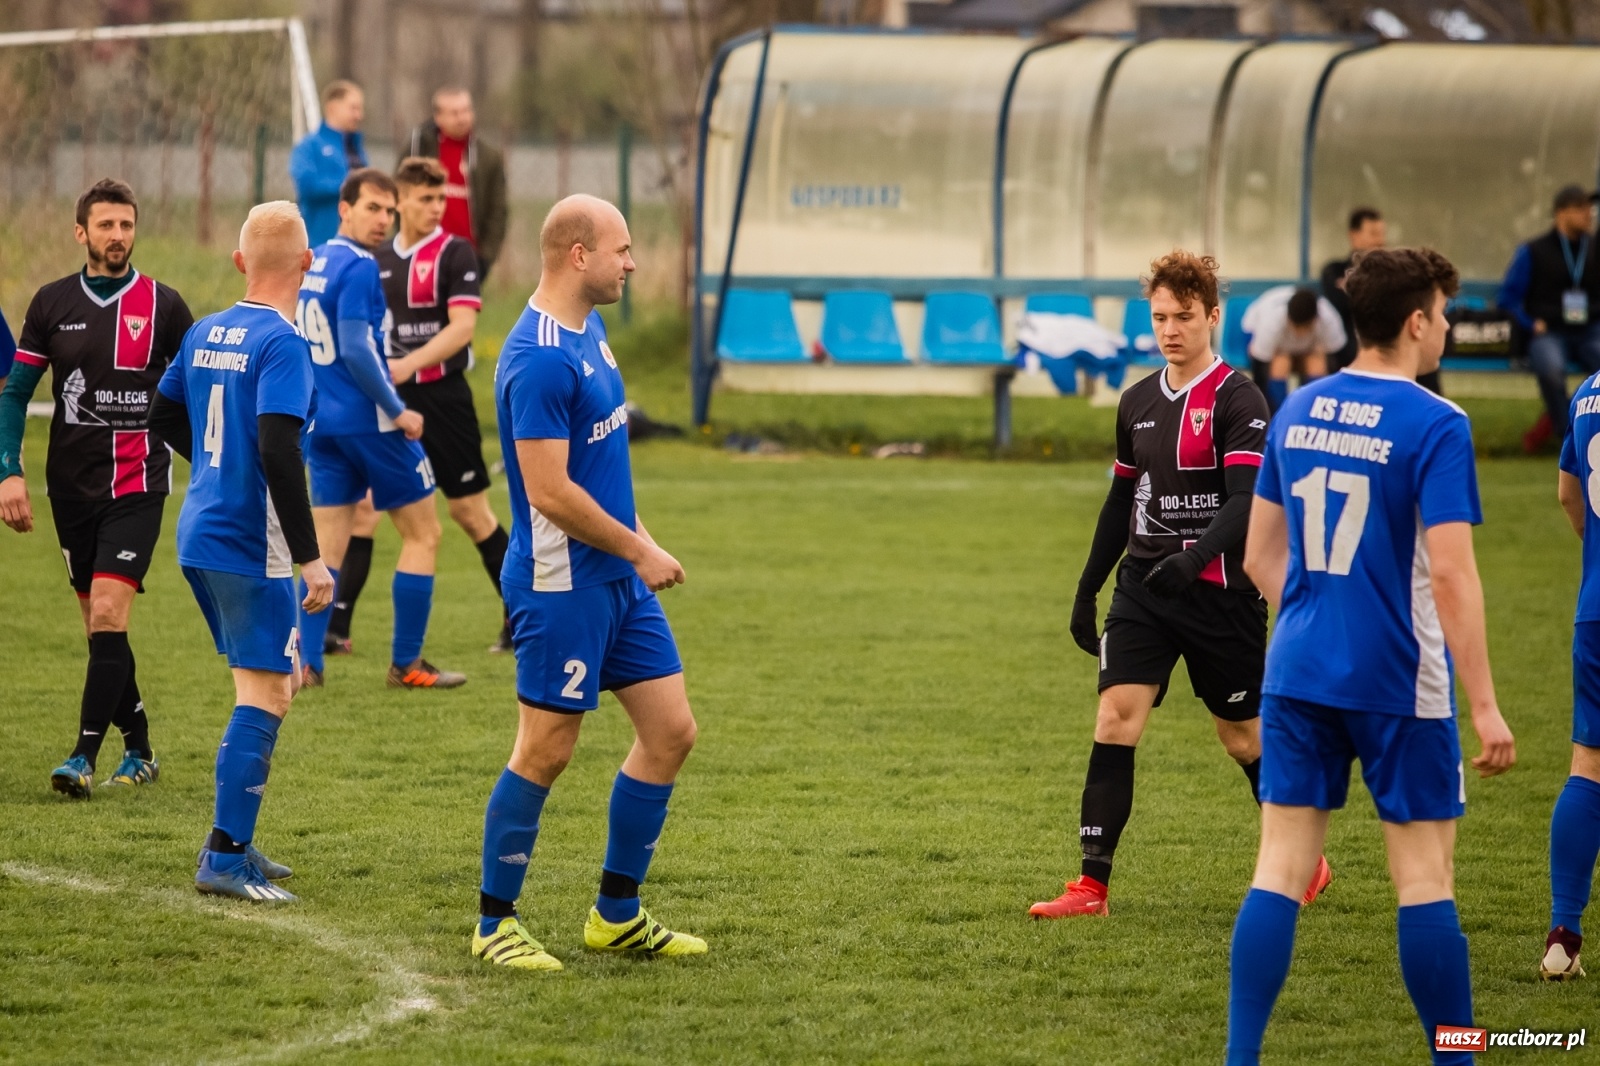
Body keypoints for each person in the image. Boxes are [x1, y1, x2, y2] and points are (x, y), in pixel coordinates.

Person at [1226, 247, 1516, 1065]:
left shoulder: (1298, 408)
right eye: (1444, 314)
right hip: (1397, 677)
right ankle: (1456, 1056)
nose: (1449, 327)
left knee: (1279, 868)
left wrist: (1322, 611)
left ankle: (1239, 1058)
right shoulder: (1436, 423)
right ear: (1417, 321)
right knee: (1424, 879)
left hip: (1297, 669)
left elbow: (1258, 560)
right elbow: (1453, 576)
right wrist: (1486, 704)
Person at [1031, 251, 1331, 920]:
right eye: (1160, 317)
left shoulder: (1239, 397)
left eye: (1184, 317)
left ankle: (1307, 860)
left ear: (1212, 316)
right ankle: (1091, 888)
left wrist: (1192, 561)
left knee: (1242, 736)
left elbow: (1247, 501)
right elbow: (1119, 500)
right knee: (1115, 718)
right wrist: (1088, 589)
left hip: (1219, 590)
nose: (1170, 330)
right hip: (1145, 587)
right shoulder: (1136, 400)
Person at [470, 194, 705, 970]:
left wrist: (639, 543)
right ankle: (494, 923)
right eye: (622, 250)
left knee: (670, 733)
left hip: (617, 582)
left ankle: (616, 913)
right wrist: (637, 550)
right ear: (579, 255)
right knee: (545, 749)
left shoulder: (590, 328)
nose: (632, 263)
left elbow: (601, 466)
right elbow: (547, 491)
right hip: (559, 585)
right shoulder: (537, 356)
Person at [146, 201, 334, 903]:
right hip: (251, 545)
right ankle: (222, 858)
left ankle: (238, 839)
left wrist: (217, 469)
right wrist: (313, 558)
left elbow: (161, 412)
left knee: (270, 686)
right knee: (267, 695)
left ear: (238, 262)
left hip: (201, 530)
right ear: (308, 264)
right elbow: (281, 451)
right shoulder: (284, 342)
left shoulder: (204, 330)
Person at [0, 178, 194, 798]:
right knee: (97, 626)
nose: (118, 236)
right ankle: (139, 747)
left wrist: (216, 459)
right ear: (81, 232)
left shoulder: (165, 306)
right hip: (71, 487)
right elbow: (14, 394)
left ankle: (82, 757)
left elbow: (197, 392)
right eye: (106, 226)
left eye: (127, 225)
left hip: (140, 482)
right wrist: (9, 470)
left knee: (110, 610)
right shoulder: (51, 303)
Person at [294, 167, 465, 691]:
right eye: (373, 207)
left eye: (390, 211)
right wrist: (398, 409)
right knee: (424, 533)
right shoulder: (362, 266)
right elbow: (355, 348)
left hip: (321, 424)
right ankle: (406, 664)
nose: (383, 219)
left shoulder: (313, 260)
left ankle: (306, 666)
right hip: (370, 423)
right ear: (344, 208)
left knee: (327, 546)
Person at [353, 156, 509, 648]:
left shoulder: (456, 253)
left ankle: (523, 618)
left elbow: (462, 330)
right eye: (426, 198)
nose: (437, 207)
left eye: (442, 198)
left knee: (469, 513)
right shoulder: (374, 258)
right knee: (364, 509)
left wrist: (405, 365)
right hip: (387, 398)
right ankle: (335, 630)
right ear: (399, 201)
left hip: (443, 398)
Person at [1544, 367, 1600, 980]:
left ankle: (1563, 935)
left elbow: (1568, 493)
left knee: (1589, 765)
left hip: (1597, 608)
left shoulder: (1588, 390)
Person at [1499, 184, 1600, 446]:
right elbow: (1508, 298)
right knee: (1551, 368)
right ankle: (1568, 435)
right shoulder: (1533, 251)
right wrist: (1530, 324)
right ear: (1560, 213)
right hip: (1550, 332)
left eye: (1589, 208)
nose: (1589, 214)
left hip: (1590, 330)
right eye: (1580, 208)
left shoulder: (1595, 250)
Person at [408, 87, 509, 282]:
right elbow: (400, 194)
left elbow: (498, 210)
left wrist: (486, 257)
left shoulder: (488, 157)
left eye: (466, 110)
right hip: (422, 250)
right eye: (454, 113)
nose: (462, 118)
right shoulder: (418, 149)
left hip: (467, 255)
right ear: (438, 117)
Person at [1242, 285, 1345, 413]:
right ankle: (1280, 412)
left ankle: (1312, 412)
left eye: (1305, 328)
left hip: (1309, 351)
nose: (1299, 334)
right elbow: (1260, 367)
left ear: (1314, 320)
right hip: (1273, 349)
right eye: (1296, 327)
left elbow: (1337, 363)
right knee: (1280, 364)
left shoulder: (1328, 319)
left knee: (1317, 364)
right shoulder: (1271, 322)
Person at [289, 80, 367, 248]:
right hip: (320, 243)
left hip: (357, 244)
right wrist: (350, 184)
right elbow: (307, 186)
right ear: (332, 107)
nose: (359, 115)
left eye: (360, 109)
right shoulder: (309, 146)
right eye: (353, 108)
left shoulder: (357, 147)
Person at [1320, 207, 1386, 373]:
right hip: (1345, 346)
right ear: (1354, 235)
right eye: (1373, 233)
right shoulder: (1334, 271)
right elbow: (1340, 306)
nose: (1379, 241)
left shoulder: (1392, 273)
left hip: (1385, 343)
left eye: (1381, 234)